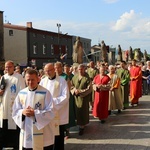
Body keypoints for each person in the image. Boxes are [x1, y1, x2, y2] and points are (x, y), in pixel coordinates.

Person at [12, 69, 55, 150]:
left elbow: (51, 112)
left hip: (43, 134)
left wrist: (35, 113)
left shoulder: (45, 93)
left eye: (33, 80)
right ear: (25, 80)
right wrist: (22, 112)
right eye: (28, 80)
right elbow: (15, 110)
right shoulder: (21, 93)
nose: (30, 82)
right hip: (27, 131)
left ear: (38, 79)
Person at [39, 63, 69, 150]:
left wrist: (51, 102)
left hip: (57, 113)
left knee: (58, 138)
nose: (47, 72)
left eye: (49, 70)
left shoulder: (61, 81)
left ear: (54, 70)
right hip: (46, 113)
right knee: (47, 136)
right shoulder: (43, 81)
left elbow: (65, 96)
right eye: (46, 71)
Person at [0, 60, 25, 150]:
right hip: (4, 107)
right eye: (6, 67)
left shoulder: (18, 77)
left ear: (13, 67)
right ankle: (4, 145)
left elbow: (22, 92)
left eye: (9, 67)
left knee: (14, 127)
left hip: (14, 106)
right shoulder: (3, 77)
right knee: (4, 126)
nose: (7, 68)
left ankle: (16, 146)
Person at [71, 64, 92, 135]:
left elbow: (89, 89)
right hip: (76, 97)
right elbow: (71, 85)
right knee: (77, 111)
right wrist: (74, 90)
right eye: (79, 69)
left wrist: (80, 92)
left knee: (83, 111)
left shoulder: (87, 78)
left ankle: (82, 126)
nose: (80, 71)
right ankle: (79, 124)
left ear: (84, 69)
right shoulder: (75, 77)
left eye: (81, 69)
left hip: (84, 98)